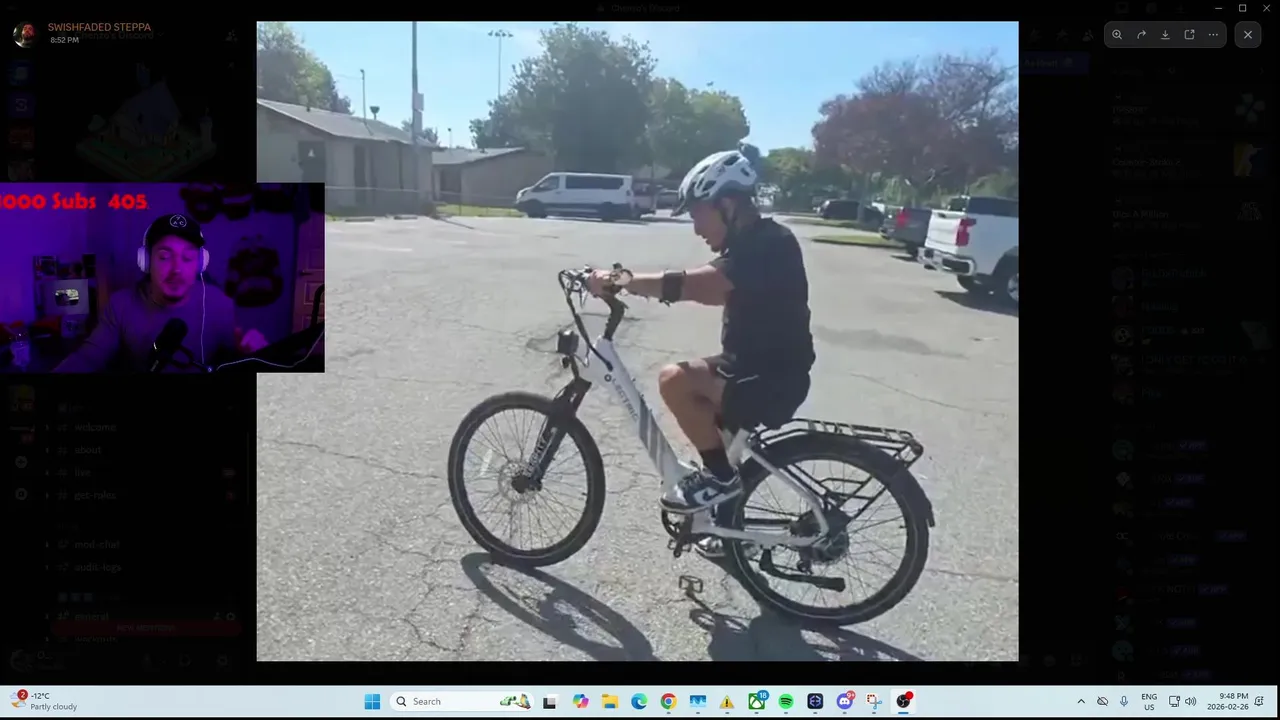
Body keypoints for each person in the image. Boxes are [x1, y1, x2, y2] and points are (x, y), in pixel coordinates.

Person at [585, 145, 816, 558]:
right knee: (715, 436)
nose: (695, 228)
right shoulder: (754, 245)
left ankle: (721, 481)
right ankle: (725, 527)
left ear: (726, 204)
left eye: (697, 213)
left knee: (675, 380)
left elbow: (701, 286)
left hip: (769, 378)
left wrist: (622, 280)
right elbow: (714, 290)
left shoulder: (767, 245)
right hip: (755, 368)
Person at [54, 213, 270, 373]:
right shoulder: (120, 305)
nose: (177, 269)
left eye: (187, 258)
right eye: (165, 257)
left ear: (200, 264)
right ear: (146, 262)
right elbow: (88, 358)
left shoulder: (219, 304)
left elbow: (235, 361)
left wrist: (253, 356)